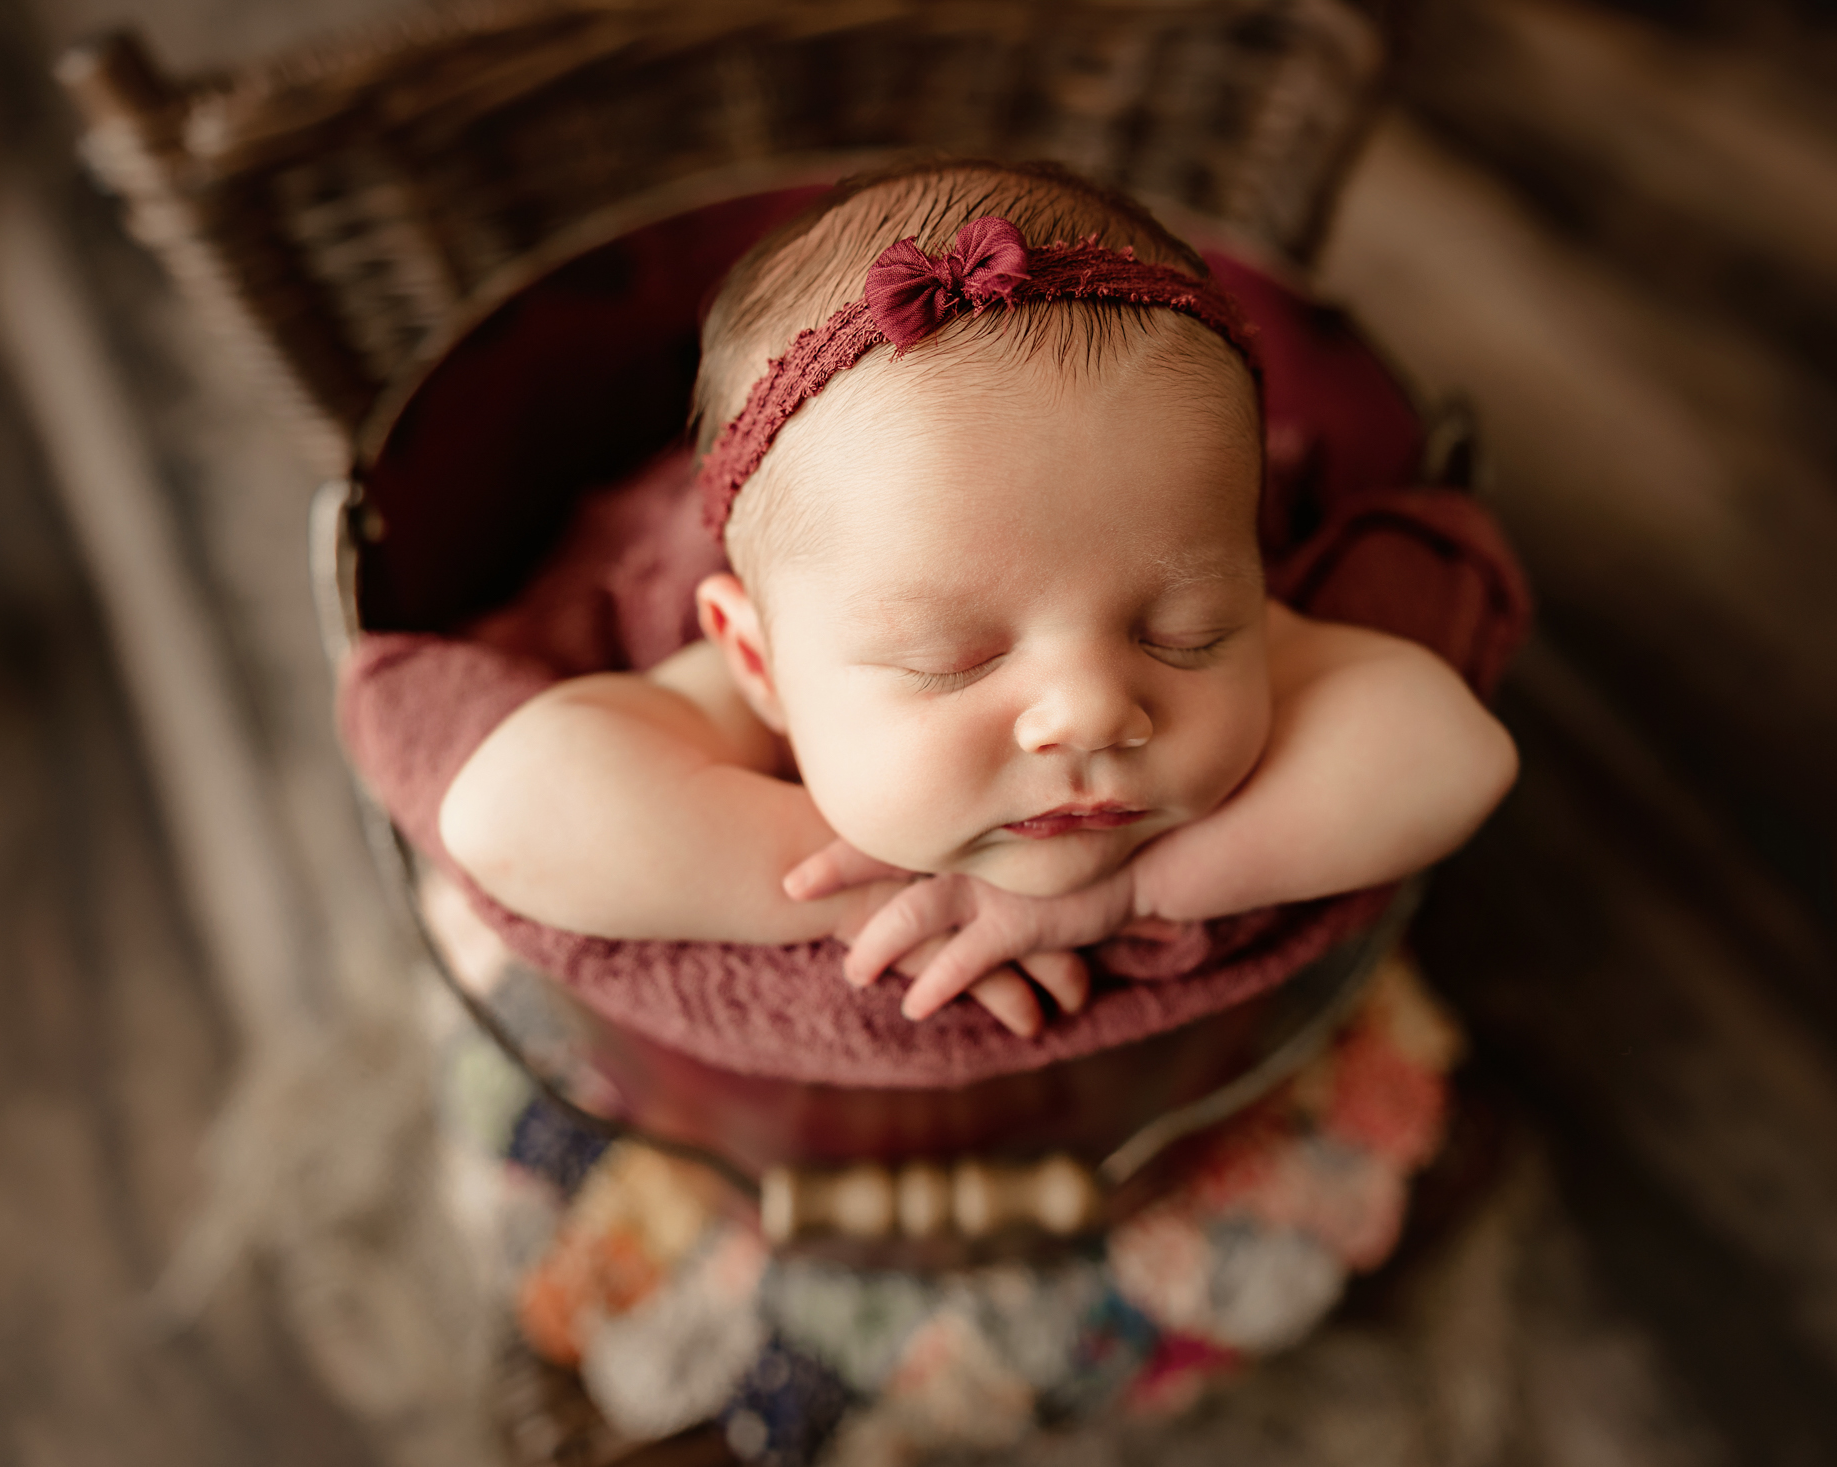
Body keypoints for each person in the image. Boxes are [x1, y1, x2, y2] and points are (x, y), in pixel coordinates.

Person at [435, 160, 1518, 1039]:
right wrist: (854, 889)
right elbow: (504, 812)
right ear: (761, 667)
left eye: (1181, 634)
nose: (1095, 709)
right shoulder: (737, 681)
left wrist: (1128, 894)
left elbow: (1453, 755)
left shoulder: (1177, 571)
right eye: (954, 658)